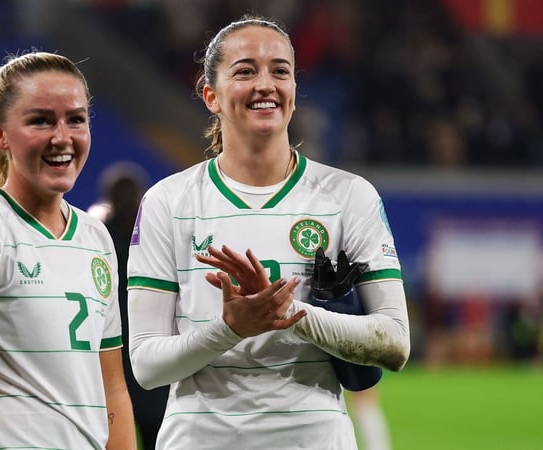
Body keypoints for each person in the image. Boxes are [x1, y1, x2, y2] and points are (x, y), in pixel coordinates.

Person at [126, 15, 410, 449]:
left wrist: (292, 314)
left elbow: (395, 342)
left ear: (294, 91)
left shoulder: (349, 197)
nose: (266, 84)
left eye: (280, 71)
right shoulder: (169, 202)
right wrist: (230, 327)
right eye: (245, 71)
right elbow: (146, 366)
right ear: (210, 96)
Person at [0, 51, 136, 450]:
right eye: (41, 121)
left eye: (76, 119)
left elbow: (113, 388)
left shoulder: (96, 238)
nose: (62, 137)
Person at [88, 162, 169, 450]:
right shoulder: (100, 237)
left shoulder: (150, 236)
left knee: (149, 430)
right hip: (121, 351)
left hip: (138, 348)